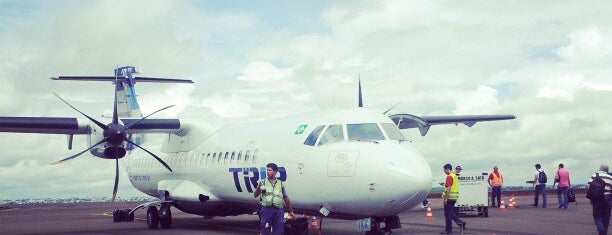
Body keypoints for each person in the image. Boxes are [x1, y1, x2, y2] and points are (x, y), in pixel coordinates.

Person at [254, 163, 295, 235]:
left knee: (279, 231)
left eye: (270, 170)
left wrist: (291, 211)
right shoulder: (263, 182)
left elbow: (285, 197)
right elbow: (255, 195)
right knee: (265, 230)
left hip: (278, 211)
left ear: (275, 172)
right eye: (267, 170)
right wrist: (259, 187)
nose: (268, 172)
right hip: (267, 210)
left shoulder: (280, 184)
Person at [440, 163, 466, 234]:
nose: (444, 172)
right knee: (449, 213)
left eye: (444, 170)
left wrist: (446, 198)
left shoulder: (449, 176)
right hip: (454, 198)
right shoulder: (454, 176)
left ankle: (450, 229)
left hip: (449, 198)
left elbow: (449, 187)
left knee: (448, 214)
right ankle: (458, 223)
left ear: (447, 169)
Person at [588, 164, 611, 235]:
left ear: (600, 168)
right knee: (606, 217)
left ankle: (600, 227)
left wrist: (591, 199)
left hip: (596, 198)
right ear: (607, 170)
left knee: (596, 216)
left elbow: (589, 188)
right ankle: (603, 233)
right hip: (608, 198)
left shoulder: (594, 176)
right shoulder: (610, 177)